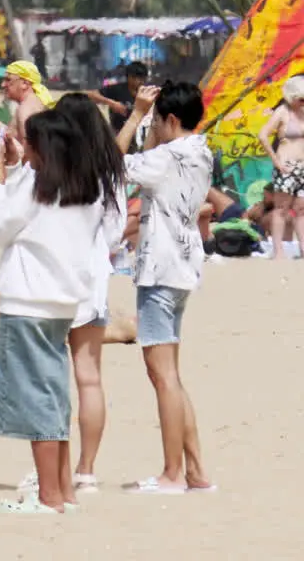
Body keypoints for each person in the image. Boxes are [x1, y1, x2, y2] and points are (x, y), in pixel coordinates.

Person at [0, 110, 110, 514]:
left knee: (38, 398)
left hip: (27, 301)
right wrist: (18, 166)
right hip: (63, 302)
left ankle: (49, 497)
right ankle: (62, 492)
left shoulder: (37, 187)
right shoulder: (85, 189)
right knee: (53, 394)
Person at [14, 93, 127, 495]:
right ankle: (86, 471)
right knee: (89, 376)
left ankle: (56, 473)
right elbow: (115, 232)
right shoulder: (110, 170)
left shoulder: (55, 170)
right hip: (94, 278)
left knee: (51, 375)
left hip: (52, 280)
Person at [115, 81, 216, 494]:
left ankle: (173, 473)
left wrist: (137, 115)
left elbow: (110, 161)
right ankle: (194, 471)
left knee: (162, 375)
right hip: (185, 262)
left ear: (171, 120)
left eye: (160, 120)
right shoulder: (201, 151)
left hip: (160, 267)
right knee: (171, 374)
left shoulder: (166, 157)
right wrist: (153, 127)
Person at [257, 75, 304, 260]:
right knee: (281, 209)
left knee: (301, 210)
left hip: (303, 167)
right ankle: (278, 251)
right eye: (301, 99)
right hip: (286, 166)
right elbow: (263, 135)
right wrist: (276, 161)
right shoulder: (282, 112)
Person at [1, 60, 56, 143]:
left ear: (25, 84)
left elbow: (30, 150)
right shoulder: (31, 104)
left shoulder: (25, 110)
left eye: (8, 80)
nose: (3, 85)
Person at [88, 61, 147, 135]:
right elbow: (91, 95)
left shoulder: (148, 92)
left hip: (140, 134)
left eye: (142, 78)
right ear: (128, 77)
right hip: (118, 133)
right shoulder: (118, 89)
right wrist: (112, 103)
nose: (140, 81)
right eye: (135, 77)